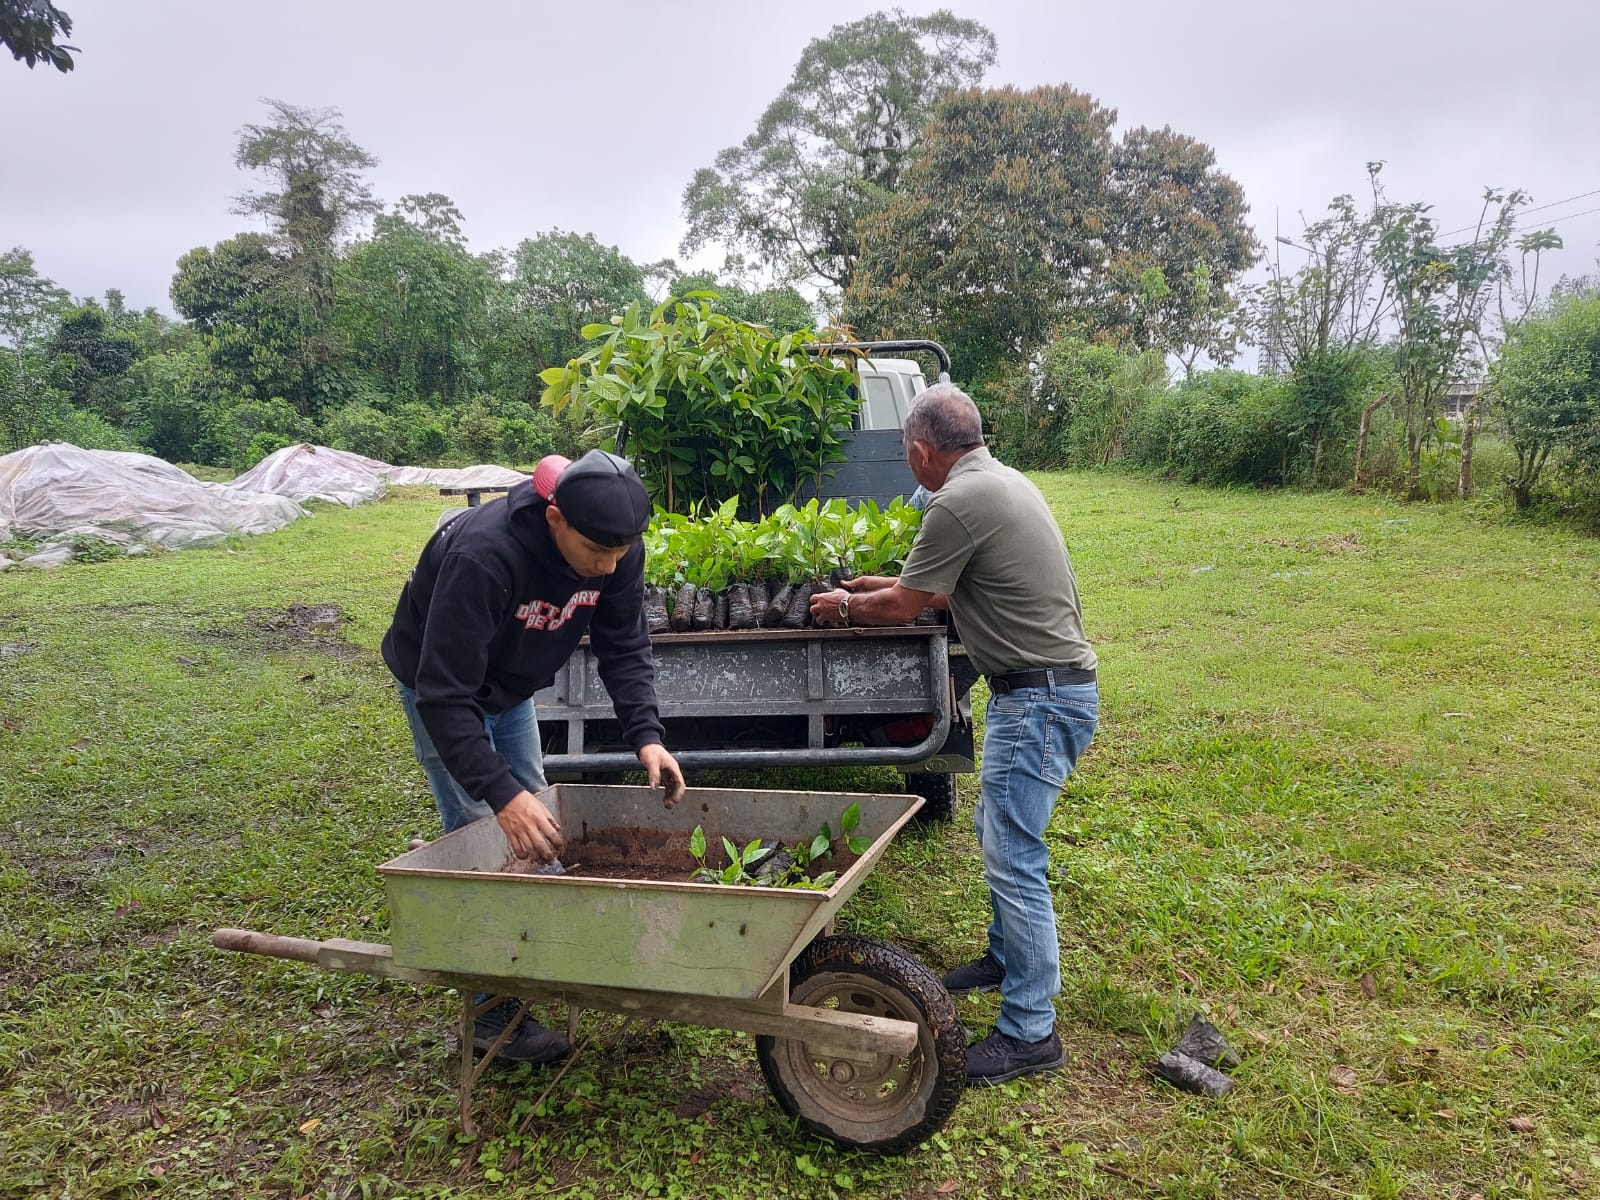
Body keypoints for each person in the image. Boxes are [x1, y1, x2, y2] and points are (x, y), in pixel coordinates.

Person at [810, 383, 1097, 1086]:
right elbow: (943, 588)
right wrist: (876, 583)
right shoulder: (1000, 481)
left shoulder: (956, 501)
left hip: (1039, 701)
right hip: (1054, 691)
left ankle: (1031, 1033)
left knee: (1014, 856)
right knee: (1000, 833)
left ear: (919, 450)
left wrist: (842, 610)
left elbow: (906, 607)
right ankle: (1006, 959)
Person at [383, 449, 686, 1065]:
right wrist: (500, 796)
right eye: (597, 552)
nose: (608, 567)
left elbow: (624, 642)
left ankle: (545, 949)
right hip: (440, 686)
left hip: (511, 686)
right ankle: (492, 1013)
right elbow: (445, 695)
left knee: (536, 815)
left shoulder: (614, 545)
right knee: (481, 830)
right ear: (555, 519)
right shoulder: (485, 556)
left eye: (621, 553)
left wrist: (646, 735)